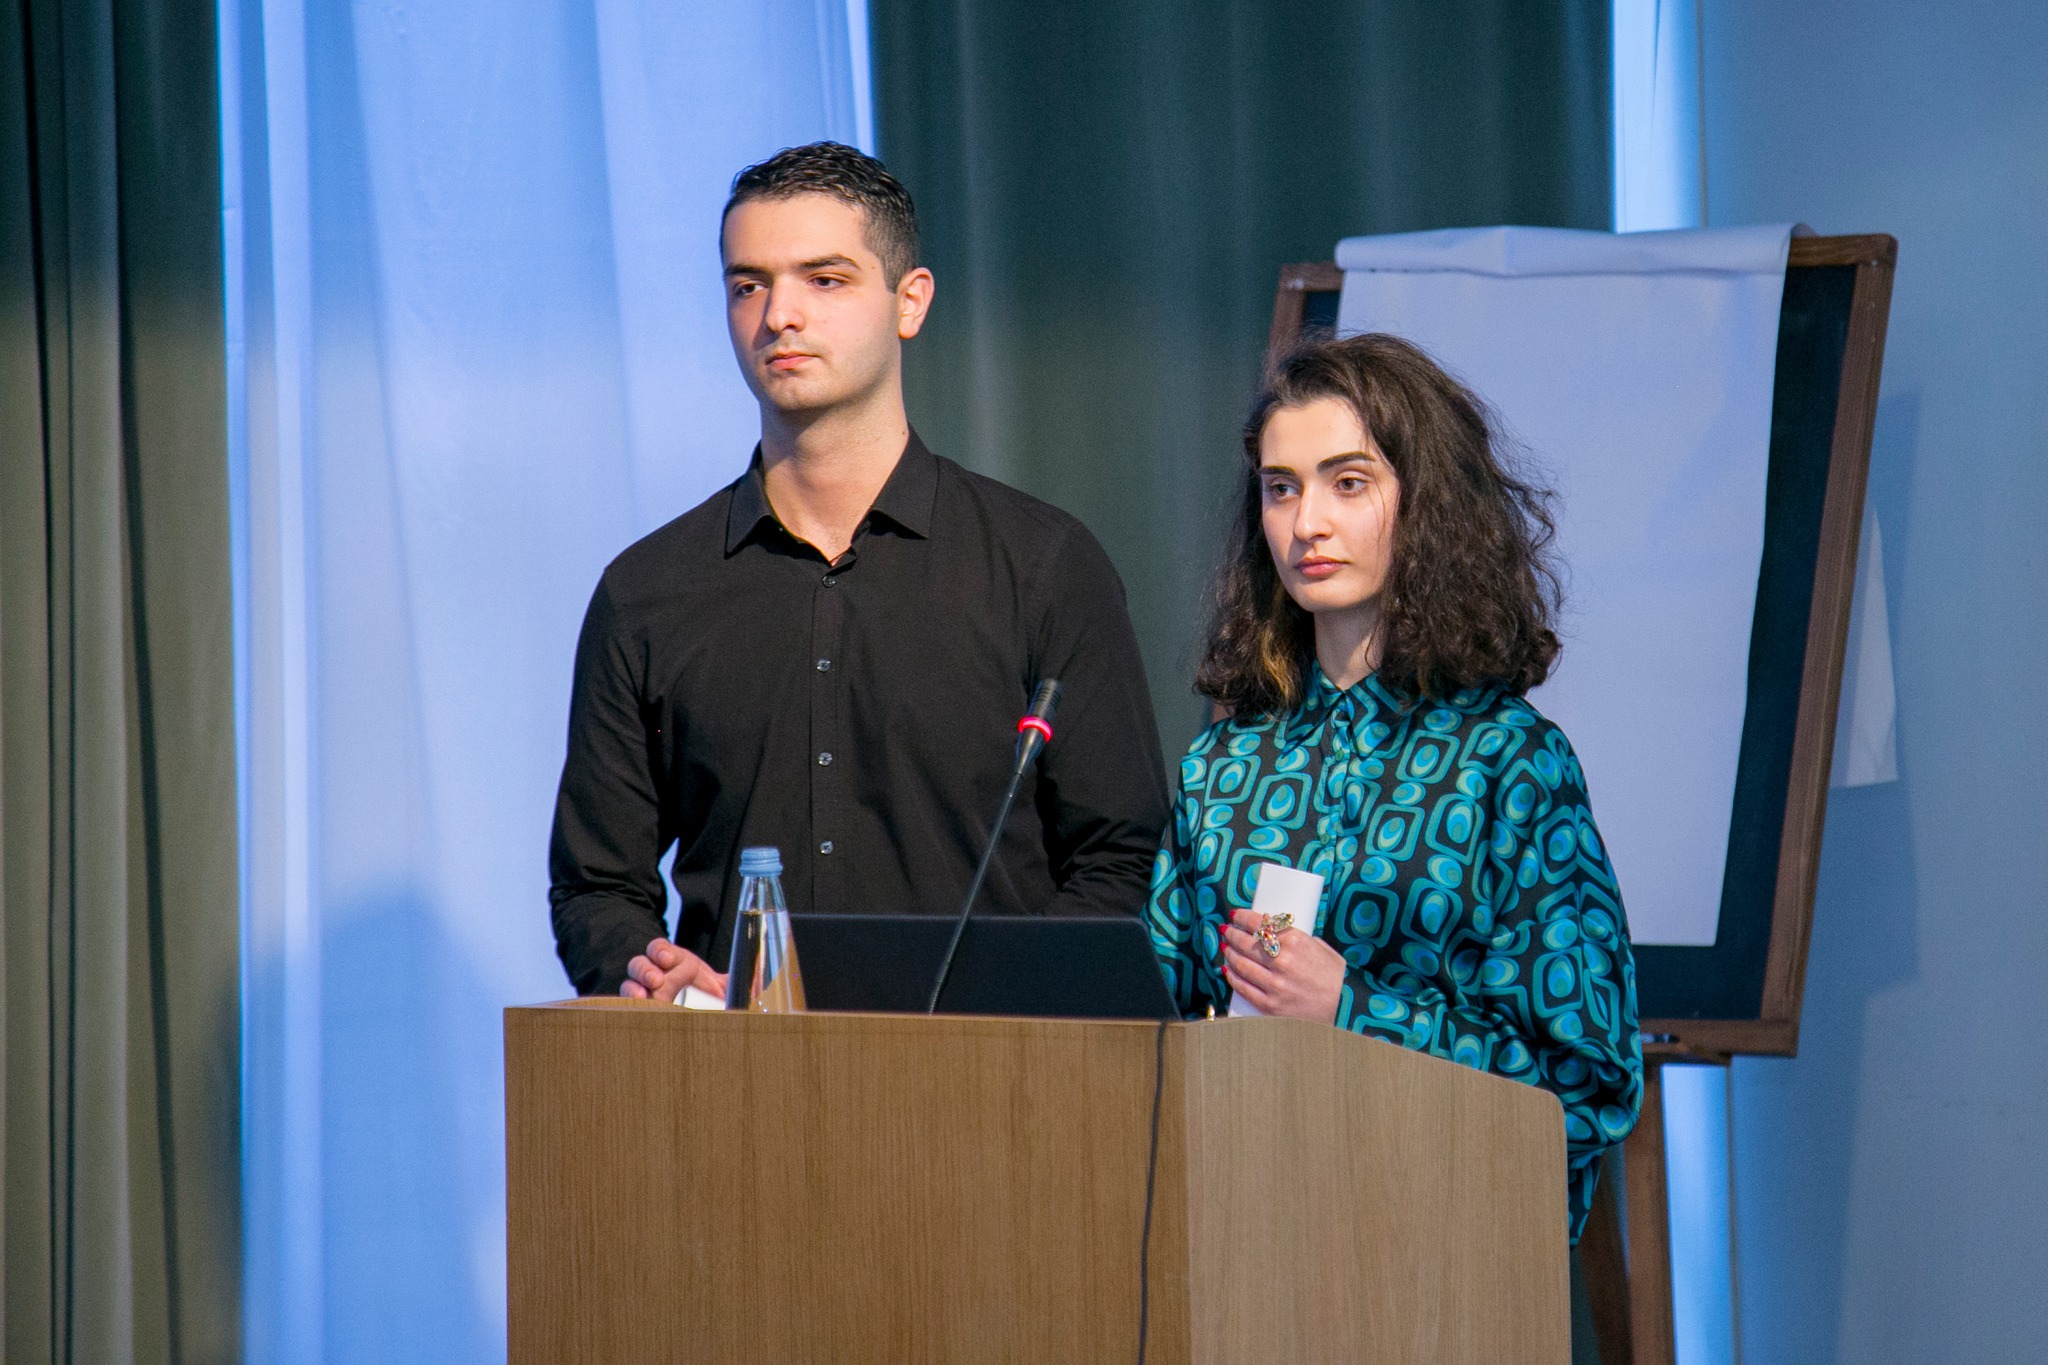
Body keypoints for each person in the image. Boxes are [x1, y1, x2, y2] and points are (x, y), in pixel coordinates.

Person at [550, 143, 1168, 1000]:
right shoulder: (647, 593)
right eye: (748, 285)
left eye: (825, 279)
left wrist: (1002, 1007)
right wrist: (672, 988)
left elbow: (1121, 857)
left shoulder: (1044, 566)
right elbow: (596, 888)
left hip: (992, 1067)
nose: (780, 315)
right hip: (736, 1067)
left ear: (910, 301)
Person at [1145, 332, 1642, 1240]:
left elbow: (1582, 1085)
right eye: (1281, 488)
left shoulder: (1509, 762)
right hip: (1238, 1234)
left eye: (1348, 482)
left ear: (1428, 503)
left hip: (1440, 1249)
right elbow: (1153, 1025)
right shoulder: (1221, 769)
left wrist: (1350, 1009)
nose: (1307, 522)